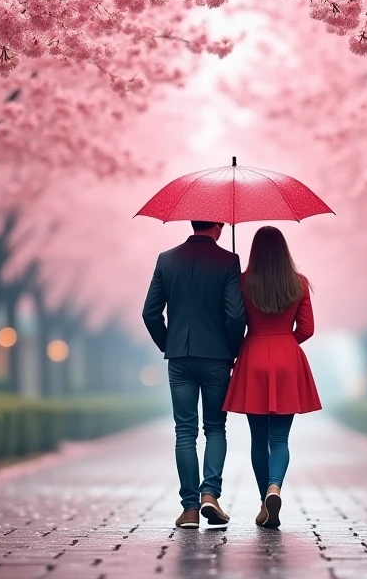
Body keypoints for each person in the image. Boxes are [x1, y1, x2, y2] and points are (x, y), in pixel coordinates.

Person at [142, 220, 247, 529]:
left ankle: (189, 509)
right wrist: (233, 349)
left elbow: (150, 313)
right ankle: (210, 494)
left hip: (179, 357)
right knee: (215, 427)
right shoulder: (229, 261)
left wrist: (170, 343)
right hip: (217, 356)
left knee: (184, 431)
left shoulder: (166, 259)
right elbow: (236, 314)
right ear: (217, 225)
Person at [223, 226, 321, 529]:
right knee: (279, 438)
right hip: (287, 358)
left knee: (258, 438)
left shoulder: (241, 282)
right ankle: (274, 488)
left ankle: (263, 500)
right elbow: (307, 329)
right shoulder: (299, 283)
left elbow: (233, 322)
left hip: (253, 356)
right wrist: (285, 342)